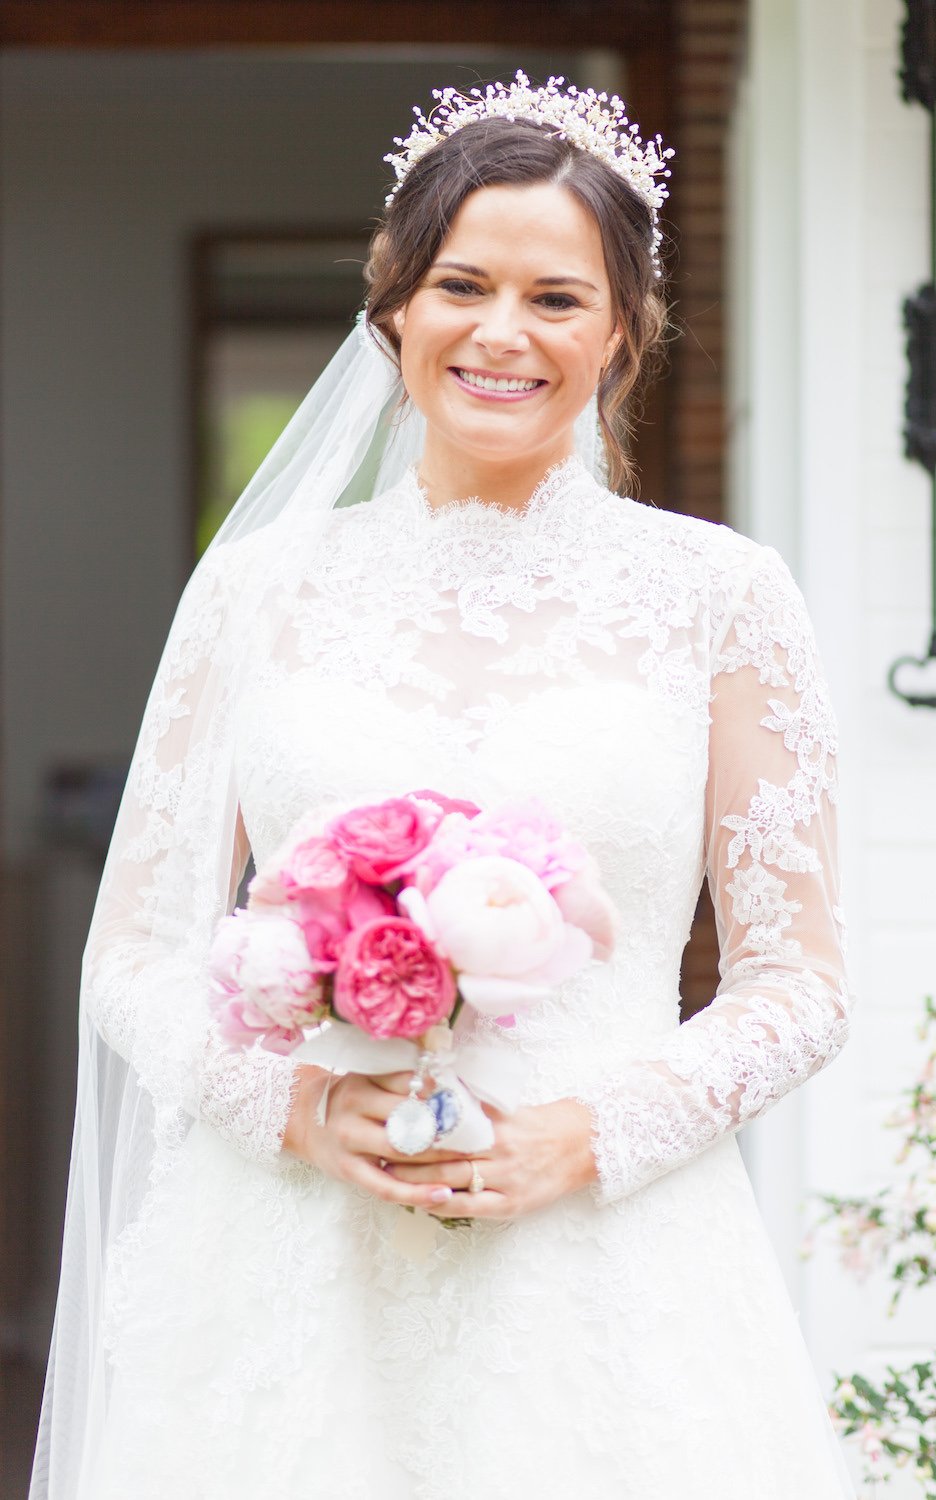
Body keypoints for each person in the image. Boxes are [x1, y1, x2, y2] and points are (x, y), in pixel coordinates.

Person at [31, 74, 855, 1499]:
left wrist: (592, 1135)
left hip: (604, 1258)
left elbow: (801, 982)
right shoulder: (255, 589)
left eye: (556, 298)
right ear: (393, 305)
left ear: (621, 335)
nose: (501, 332)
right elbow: (134, 955)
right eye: (463, 284)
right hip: (291, 1254)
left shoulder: (723, 597)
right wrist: (287, 1102)